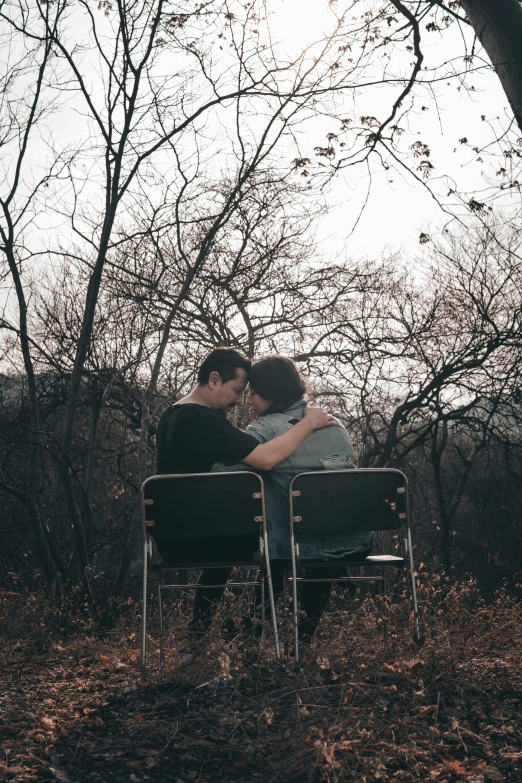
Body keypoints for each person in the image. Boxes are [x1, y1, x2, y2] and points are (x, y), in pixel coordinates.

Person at [155, 347, 335, 634]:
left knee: (257, 534)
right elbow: (264, 458)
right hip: (199, 538)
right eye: (237, 390)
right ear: (214, 379)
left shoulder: (173, 414)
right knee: (282, 537)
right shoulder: (203, 421)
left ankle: (200, 634)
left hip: (174, 537)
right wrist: (308, 423)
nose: (239, 400)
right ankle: (259, 633)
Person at [213, 355, 377, 642]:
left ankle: (254, 634)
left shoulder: (264, 430)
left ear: (268, 392)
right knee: (302, 512)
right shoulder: (333, 423)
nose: (249, 400)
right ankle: (303, 642)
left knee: (275, 522)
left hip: (298, 545)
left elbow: (222, 472)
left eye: (252, 392)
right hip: (357, 541)